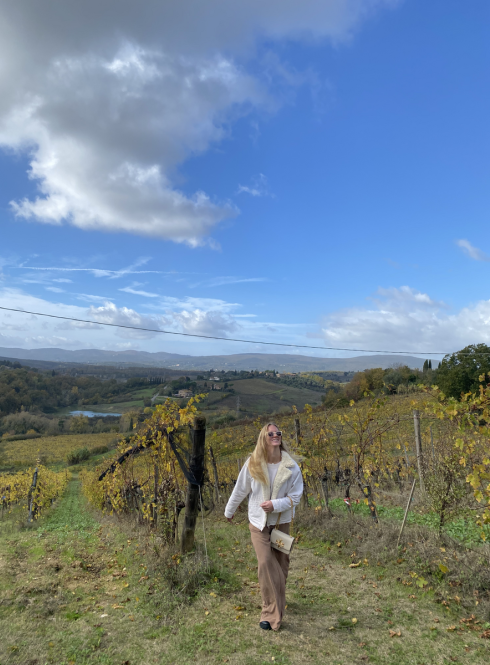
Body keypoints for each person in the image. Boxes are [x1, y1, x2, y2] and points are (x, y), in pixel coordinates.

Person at [224, 422, 304, 631]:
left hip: (281, 523)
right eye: (271, 434)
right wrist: (229, 510)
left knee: (281, 564)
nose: (275, 436)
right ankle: (270, 613)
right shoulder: (253, 464)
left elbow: (296, 497)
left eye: (278, 433)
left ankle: (277, 599)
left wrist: (275, 505)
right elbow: (240, 489)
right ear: (264, 438)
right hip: (258, 524)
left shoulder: (291, 467)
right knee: (266, 562)